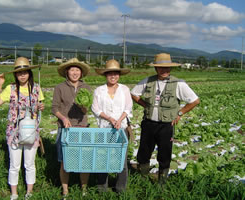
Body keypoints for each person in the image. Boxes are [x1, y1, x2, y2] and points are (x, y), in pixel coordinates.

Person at [131, 53, 200, 184]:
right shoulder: (148, 81)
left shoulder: (178, 83)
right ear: (156, 68)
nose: (164, 70)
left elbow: (195, 101)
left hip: (166, 125)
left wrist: (180, 113)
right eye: (161, 68)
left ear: (171, 68)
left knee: (164, 153)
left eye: (167, 68)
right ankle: (143, 178)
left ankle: (162, 182)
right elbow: (133, 94)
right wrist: (144, 104)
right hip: (149, 123)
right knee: (144, 151)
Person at [0, 57, 45, 200]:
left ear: (29, 72)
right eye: (19, 72)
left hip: (31, 131)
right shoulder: (10, 88)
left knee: (30, 164)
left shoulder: (36, 87)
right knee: (14, 165)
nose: (22, 75)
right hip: (14, 132)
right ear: (15, 75)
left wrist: (41, 106)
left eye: (25, 72)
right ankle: (14, 193)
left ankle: (29, 192)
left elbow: (41, 105)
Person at [52, 58, 91, 199]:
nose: (75, 72)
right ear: (67, 72)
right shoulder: (60, 88)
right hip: (66, 129)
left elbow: (87, 110)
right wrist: (63, 118)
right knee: (64, 160)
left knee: (83, 159)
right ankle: (65, 191)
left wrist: (83, 107)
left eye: (77, 70)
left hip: (82, 127)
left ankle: (84, 189)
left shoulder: (86, 88)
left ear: (81, 73)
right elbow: (54, 108)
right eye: (72, 70)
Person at [92, 59, 133, 193]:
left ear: (119, 75)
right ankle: (102, 188)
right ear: (105, 75)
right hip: (104, 129)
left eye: (116, 73)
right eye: (110, 74)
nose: (113, 76)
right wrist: (110, 118)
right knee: (103, 158)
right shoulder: (99, 90)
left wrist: (119, 120)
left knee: (121, 158)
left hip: (121, 129)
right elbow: (95, 109)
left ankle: (120, 188)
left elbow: (128, 107)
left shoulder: (124, 89)